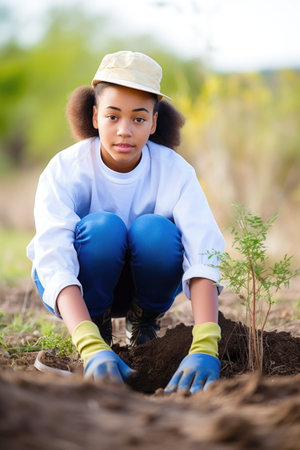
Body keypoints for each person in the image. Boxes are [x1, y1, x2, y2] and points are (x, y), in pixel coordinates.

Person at [27, 50, 225, 394]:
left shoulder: (174, 171)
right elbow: (53, 257)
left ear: (154, 121)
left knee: (156, 231)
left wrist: (206, 344)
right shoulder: (65, 169)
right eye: (112, 116)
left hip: (143, 285)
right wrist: (89, 344)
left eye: (138, 118)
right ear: (94, 116)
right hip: (83, 285)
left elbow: (203, 248)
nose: (124, 131)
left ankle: (143, 322)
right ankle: (97, 328)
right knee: (103, 228)